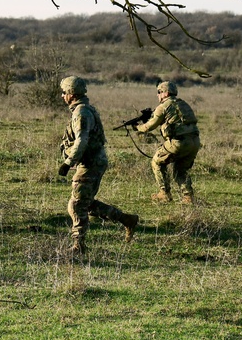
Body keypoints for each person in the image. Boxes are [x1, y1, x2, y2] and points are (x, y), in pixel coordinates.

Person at [58, 75, 139, 258]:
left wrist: (68, 162)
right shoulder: (83, 109)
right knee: (85, 203)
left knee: (76, 205)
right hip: (92, 161)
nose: (62, 96)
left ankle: (79, 245)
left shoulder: (81, 113)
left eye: (64, 92)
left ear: (71, 93)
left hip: (91, 163)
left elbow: (82, 140)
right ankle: (127, 219)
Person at [135, 81, 201, 204]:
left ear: (165, 93)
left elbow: (149, 127)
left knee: (157, 162)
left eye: (159, 92)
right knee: (180, 170)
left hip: (178, 142)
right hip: (194, 142)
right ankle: (188, 197)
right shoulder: (183, 104)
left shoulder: (163, 106)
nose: (157, 95)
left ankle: (164, 194)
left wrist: (138, 127)